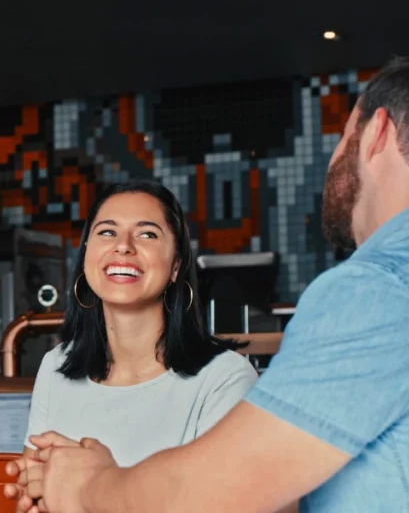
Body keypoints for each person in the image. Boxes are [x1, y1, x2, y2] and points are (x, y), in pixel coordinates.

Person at [7, 55, 409, 512]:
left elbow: (229, 490)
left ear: (377, 133)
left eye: (342, 139)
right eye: (106, 232)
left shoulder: (379, 291)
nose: (333, 160)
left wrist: (89, 486)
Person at [22, 179, 257, 469]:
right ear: (86, 255)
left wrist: (99, 482)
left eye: (147, 234)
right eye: (107, 232)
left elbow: (222, 494)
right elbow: (32, 487)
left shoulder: (226, 379)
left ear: (175, 265)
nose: (123, 246)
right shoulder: (55, 368)